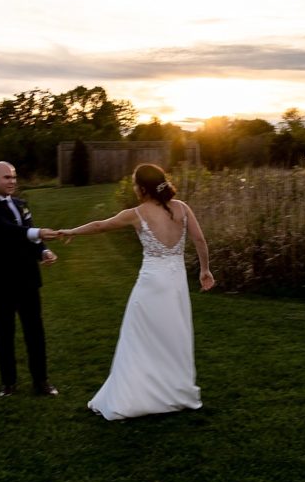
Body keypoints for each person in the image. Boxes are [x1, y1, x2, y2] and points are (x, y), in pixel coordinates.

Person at [59, 163, 214, 420]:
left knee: (139, 338)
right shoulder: (182, 208)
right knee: (173, 337)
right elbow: (200, 240)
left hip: (151, 286)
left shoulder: (137, 213)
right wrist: (205, 270)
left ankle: (136, 396)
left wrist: (72, 231)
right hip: (176, 285)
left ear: (142, 188)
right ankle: (173, 392)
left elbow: (100, 226)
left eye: (134, 184)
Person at [0, 161, 60, 397]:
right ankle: (8, 384)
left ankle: (41, 382)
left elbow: (28, 234)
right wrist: (37, 232)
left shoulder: (21, 204)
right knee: (4, 332)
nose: (12, 181)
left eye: (13, 177)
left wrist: (43, 250)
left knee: (35, 331)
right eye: (6, 177)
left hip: (27, 278)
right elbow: (5, 232)